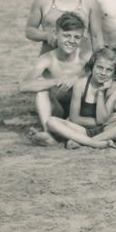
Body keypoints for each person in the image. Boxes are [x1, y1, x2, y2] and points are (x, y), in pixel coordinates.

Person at [19, 12, 91, 146]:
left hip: (80, 109)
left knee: (92, 83)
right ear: (56, 34)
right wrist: (54, 81)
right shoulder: (47, 59)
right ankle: (49, 132)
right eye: (67, 35)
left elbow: (105, 74)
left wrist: (77, 77)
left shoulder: (85, 57)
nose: (71, 41)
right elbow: (23, 86)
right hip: (58, 110)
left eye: (77, 37)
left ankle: (66, 134)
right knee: (40, 87)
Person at [45, 47, 116, 149]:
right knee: (51, 121)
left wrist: (101, 93)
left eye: (109, 70)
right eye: (99, 67)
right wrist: (103, 122)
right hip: (81, 129)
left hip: (106, 130)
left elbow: (101, 119)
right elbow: (75, 119)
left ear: (114, 73)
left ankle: (83, 142)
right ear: (92, 66)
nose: (103, 73)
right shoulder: (80, 83)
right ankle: (94, 143)